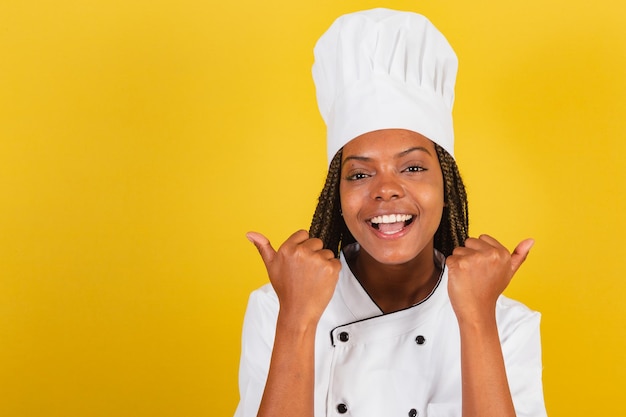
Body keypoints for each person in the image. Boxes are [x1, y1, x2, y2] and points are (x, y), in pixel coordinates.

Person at [235, 8, 547, 417]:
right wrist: (297, 319)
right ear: (337, 195)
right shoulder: (277, 306)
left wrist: (476, 320)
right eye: (360, 173)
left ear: (447, 187)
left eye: (413, 167)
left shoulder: (506, 322)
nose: (385, 190)